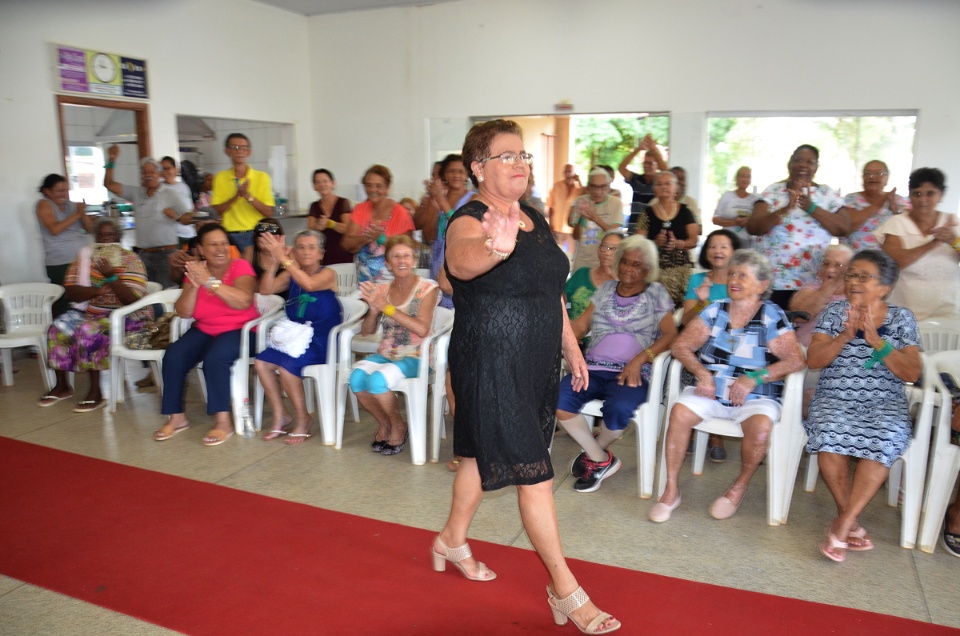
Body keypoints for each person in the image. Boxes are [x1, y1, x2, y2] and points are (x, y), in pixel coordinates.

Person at [436, 119, 620, 634]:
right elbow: (461, 262)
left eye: (524, 156)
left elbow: (550, 292)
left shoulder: (534, 218)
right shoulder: (469, 220)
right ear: (479, 168)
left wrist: (570, 348)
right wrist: (494, 246)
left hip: (537, 362)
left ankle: (451, 538)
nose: (521, 164)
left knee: (477, 453)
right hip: (491, 363)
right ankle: (566, 591)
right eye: (508, 156)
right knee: (535, 474)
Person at [650, 250, 805, 523]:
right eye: (732, 274)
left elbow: (796, 359)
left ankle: (739, 485)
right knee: (679, 413)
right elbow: (681, 346)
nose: (734, 279)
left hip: (757, 394)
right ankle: (671, 490)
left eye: (743, 275)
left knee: (760, 430)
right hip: (712, 390)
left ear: (762, 285)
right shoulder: (715, 309)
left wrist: (753, 378)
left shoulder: (771, 315)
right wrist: (702, 373)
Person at [804, 249, 921, 562]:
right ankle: (849, 522)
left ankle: (842, 526)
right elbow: (813, 361)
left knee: (886, 436)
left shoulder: (901, 318)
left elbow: (912, 372)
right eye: (851, 274)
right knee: (828, 435)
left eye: (863, 277)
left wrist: (877, 341)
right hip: (834, 397)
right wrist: (846, 335)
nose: (853, 281)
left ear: (884, 287)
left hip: (885, 402)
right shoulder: (833, 314)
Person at [557, 235, 677, 493]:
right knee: (560, 399)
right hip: (593, 369)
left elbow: (671, 335)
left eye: (637, 265)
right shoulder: (605, 290)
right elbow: (580, 326)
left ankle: (593, 452)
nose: (628, 269)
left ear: (648, 270)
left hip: (631, 373)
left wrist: (639, 360)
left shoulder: (656, 293)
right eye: (625, 262)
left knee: (619, 409)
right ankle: (600, 459)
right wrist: (563, 343)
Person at [154, 223, 259, 446]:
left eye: (224, 243)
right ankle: (177, 417)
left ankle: (223, 421)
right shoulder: (196, 270)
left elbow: (243, 301)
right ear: (201, 249)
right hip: (205, 328)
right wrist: (193, 285)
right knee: (174, 355)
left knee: (215, 359)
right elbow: (183, 312)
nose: (220, 249)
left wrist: (209, 282)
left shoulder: (240, 266)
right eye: (213, 244)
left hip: (241, 330)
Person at [37, 218, 147, 413]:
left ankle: (96, 391)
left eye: (110, 235)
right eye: (102, 236)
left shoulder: (131, 259)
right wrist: (95, 292)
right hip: (90, 312)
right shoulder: (84, 259)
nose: (106, 240)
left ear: (119, 238)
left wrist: (112, 276)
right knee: (58, 327)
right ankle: (62, 386)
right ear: (95, 238)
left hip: (127, 318)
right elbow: (71, 292)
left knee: (90, 330)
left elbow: (133, 301)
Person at [349, 235, 438, 456]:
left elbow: (422, 329)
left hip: (416, 356)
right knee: (356, 379)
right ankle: (385, 423)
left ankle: (398, 425)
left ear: (414, 260)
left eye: (406, 256)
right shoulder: (383, 289)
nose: (402, 260)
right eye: (395, 256)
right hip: (387, 353)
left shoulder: (428, 288)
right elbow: (367, 331)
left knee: (378, 381)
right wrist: (373, 309)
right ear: (387, 263)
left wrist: (386, 308)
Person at [255, 230, 342, 445]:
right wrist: (275, 262)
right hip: (294, 336)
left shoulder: (328, 273)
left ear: (321, 253)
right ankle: (281, 414)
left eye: (311, 247)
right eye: (300, 247)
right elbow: (266, 290)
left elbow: (310, 285)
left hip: (322, 340)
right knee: (261, 362)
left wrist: (285, 259)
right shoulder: (291, 272)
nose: (305, 252)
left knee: (286, 367)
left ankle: (303, 419)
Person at [746, 144, 850, 311]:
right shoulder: (773, 191)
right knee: (772, 331)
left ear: (816, 167)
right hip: (773, 281)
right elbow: (754, 227)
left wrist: (811, 208)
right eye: (798, 160)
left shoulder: (827, 194)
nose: (803, 165)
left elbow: (843, 228)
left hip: (815, 283)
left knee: (808, 333)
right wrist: (785, 209)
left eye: (810, 161)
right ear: (790, 164)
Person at [680, 229, 743, 462]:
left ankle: (715, 436)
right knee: (694, 360)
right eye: (713, 246)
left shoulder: (741, 282)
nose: (717, 251)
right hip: (701, 344)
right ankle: (696, 426)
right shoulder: (698, 280)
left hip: (733, 346)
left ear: (734, 252)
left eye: (724, 246)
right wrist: (702, 303)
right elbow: (686, 322)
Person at [875, 167, 960, 320]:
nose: (923, 200)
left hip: (947, 313)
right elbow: (895, 262)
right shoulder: (897, 223)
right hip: (905, 313)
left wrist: (954, 242)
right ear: (910, 196)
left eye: (930, 193)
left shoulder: (952, 222)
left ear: (941, 195)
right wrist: (933, 243)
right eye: (917, 194)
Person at [104, 146, 191, 289]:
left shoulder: (170, 194)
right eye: (144, 172)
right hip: (144, 255)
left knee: (167, 291)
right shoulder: (136, 193)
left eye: (152, 171)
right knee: (146, 292)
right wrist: (111, 161)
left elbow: (189, 218)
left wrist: (176, 217)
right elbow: (109, 184)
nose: (148, 175)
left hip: (166, 255)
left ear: (159, 174)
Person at [415, 154, 473, 309]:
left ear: (467, 174)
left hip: (460, 260)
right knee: (438, 311)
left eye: (461, 171)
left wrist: (441, 200)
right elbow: (428, 237)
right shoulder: (435, 198)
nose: (456, 175)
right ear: (444, 175)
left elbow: (459, 226)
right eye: (452, 171)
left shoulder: (473, 199)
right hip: (437, 260)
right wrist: (433, 207)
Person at [341, 165, 415, 284]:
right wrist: (367, 237)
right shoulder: (360, 209)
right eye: (369, 185)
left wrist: (381, 238)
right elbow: (346, 244)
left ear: (387, 188)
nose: (373, 190)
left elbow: (409, 249)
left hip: (394, 282)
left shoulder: (401, 213)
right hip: (365, 283)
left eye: (379, 186)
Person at [635, 171, 698, 306]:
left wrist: (679, 243)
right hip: (653, 270)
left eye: (668, 184)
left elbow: (694, 240)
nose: (664, 187)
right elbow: (637, 244)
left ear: (676, 188)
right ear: (654, 189)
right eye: (659, 184)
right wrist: (654, 243)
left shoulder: (686, 212)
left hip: (681, 271)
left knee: (678, 310)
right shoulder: (646, 213)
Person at [35, 174, 93, 316]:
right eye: (60, 190)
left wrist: (83, 214)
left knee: (84, 298)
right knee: (64, 300)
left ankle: (80, 332)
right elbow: (55, 229)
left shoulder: (72, 205)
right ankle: (60, 334)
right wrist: (78, 214)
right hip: (60, 263)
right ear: (47, 191)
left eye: (66, 190)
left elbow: (90, 229)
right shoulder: (44, 204)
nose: (64, 194)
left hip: (81, 260)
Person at [210, 133, 276, 252]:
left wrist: (247, 196)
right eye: (235, 147)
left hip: (256, 234)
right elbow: (216, 211)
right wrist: (236, 197)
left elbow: (269, 212)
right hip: (229, 235)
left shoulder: (262, 177)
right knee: (234, 270)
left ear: (249, 152)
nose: (240, 151)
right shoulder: (220, 177)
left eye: (244, 147)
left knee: (254, 270)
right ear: (227, 151)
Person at [789, 244, 854, 348]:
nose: (830, 270)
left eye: (838, 265)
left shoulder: (856, 293)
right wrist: (829, 287)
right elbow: (800, 317)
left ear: (850, 269)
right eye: (826, 264)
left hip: (844, 353)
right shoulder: (810, 288)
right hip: (806, 350)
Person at [843, 161, 910, 251]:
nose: (872, 177)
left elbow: (909, 231)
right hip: (854, 256)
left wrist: (895, 210)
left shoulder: (898, 200)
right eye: (867, 173)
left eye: (879, 173)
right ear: (862, 178)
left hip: (887, 257)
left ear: (887, 178)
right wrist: (878, 204)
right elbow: (848, 226)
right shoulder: (851, 199)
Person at [568, 168, 624, 271]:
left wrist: (594, 217)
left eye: (603, 187)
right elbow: (576, 236)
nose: (598, 191)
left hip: (607, 262)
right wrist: (583, 217)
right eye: (594, 187)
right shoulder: (580, 201)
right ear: (589, 187)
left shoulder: (616, 203)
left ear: (608, 186)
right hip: (582, 262)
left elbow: (614, 233)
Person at [564, 231, 622, 322]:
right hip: (571, 330)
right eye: (604, 247)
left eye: (614, 249)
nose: (607, 252)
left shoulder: (623, 285)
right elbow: (561, 300)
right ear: (598, 249)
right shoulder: (582, 274)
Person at [618, 133, 668, 229]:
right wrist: (638, 149)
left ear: (657, 166)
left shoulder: (660, 184)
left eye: (650, 163)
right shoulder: (636, 180)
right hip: (634, 230)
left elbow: (668, 173)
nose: (646, 166)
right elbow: (621, 168)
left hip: (652, 232)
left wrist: (653, 149)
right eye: (645, 162)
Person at [306, 169, 353, 266]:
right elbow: (310, 228)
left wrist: (330, 224)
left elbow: (348, 228)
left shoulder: (343, 202)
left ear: (333, 183)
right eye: (318, 182)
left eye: (325, 181)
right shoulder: (314, 206)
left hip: (342, 252)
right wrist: (318, 226)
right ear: (314, 186)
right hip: (322, 255)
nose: (322, 184)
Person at [712, 166, 758, 250]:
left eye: (748, 176)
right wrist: (735, 222)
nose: (745, 179)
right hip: (728, 241)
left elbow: (758, 222)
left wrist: (748, 222)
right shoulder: (727, 196)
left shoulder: (755, 199)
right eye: (742, 176)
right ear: (736, 178)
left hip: (747, 243)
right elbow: (715, 219)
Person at [546, 163, 584, 254]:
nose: (567, 173)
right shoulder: (556, 186)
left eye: (569, 171)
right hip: (557, 226)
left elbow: (586, 196)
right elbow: (551, 206)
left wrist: (579, 181)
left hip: (572, 228)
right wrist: (550, 225)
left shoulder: (579, 189)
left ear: (574, 173)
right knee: (557, 252)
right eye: (566, 171)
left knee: (572, 254)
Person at [160, 156, 197, 247]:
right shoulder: (159, 188)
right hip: (172, 237)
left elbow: (190, 210)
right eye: (162, 169)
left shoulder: (184, 187)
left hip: (190, 234)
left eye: (168, 168)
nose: (165, 172)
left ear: (175, 169)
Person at [670, 166, 702, 236]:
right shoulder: (656, 202)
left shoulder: (691, 203)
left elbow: (699, 230)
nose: (680, 182)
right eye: (676, 179)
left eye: (682, 179)